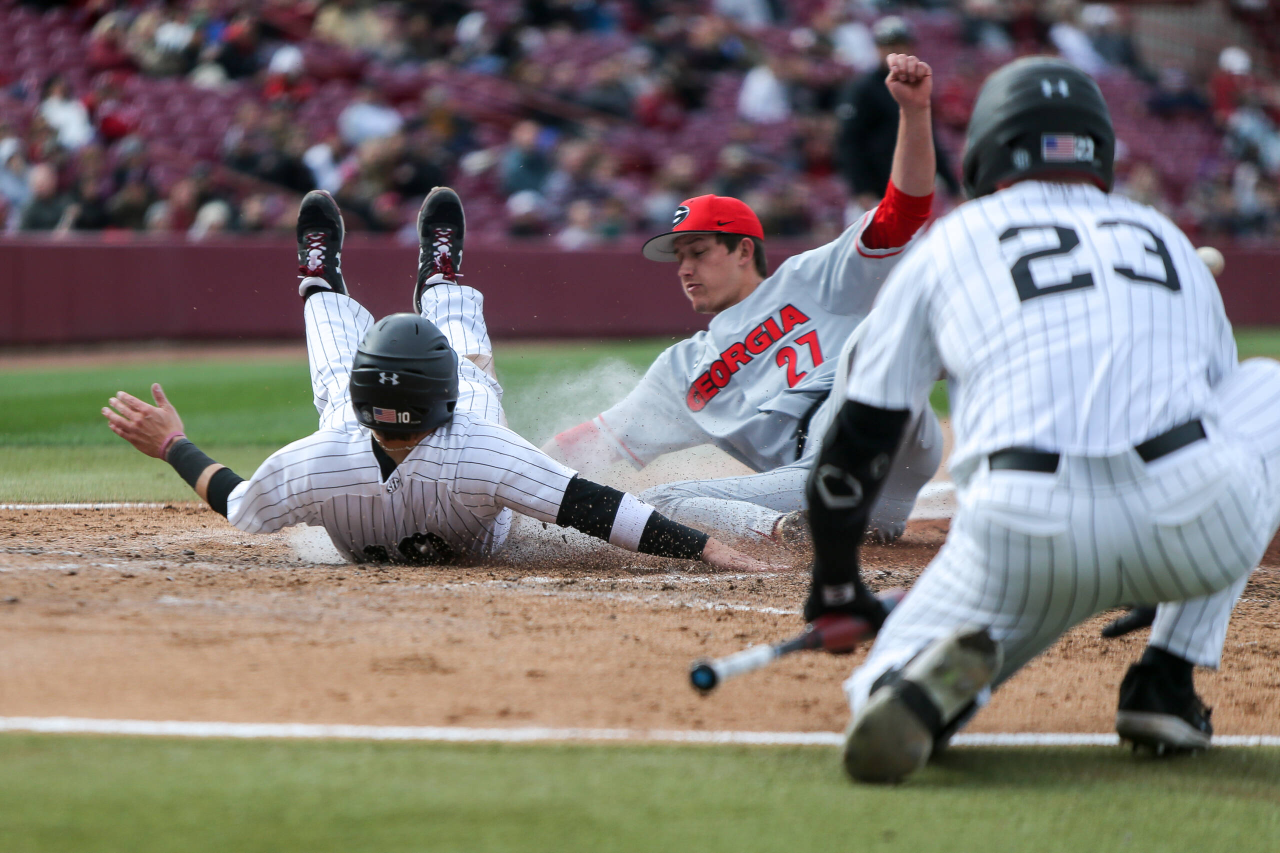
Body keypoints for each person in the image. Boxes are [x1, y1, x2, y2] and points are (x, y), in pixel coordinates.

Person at [802, 56, 1280, 784]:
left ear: (987, 148)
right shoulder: (1165, 237)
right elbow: (1217, 412)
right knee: (1267, 387)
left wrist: (837, 583)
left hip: (1027, 528)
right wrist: (1165, 551)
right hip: (1195, 523)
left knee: (881, 686)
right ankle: (1168, 680)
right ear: (1100, 149)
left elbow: (858, 441)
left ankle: (913, 686)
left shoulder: (950, 245)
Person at [103, 188, 772, 574]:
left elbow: (238, 500)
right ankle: (438, 280)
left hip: (357, 423)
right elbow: (599, 510)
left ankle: (323, 281)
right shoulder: (481, 443)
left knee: (339, 371)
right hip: (452, 436)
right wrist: (713, 550)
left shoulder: (316, 459)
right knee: (459, 359)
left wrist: (173, 446)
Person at [543, 54, 942, 547]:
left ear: (743, 250)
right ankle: (787, 529)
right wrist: (499, 465)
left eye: (699, 252)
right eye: (679, 258)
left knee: (876, 333)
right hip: (818, 485)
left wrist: (914, 113)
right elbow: (595, 443)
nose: (685, 268)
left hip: (885, 438)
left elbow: (904, 213)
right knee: (660, 503)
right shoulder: (680, 370)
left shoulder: (811, 279)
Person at [834, 18, 960, 213]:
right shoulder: (862, 88)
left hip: (909, 194)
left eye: (901, 44)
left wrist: (953, 187)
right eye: (888, 45)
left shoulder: (917, 85)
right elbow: (849, 142)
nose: (895, 50)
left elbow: (929, 138)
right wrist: (861, 188)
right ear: (877, 48)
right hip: (875, 193)